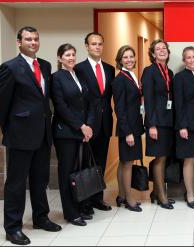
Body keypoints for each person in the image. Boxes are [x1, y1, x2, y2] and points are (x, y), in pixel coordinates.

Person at [0, 26, 61, 245]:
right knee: (16, 183)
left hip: (42, 133)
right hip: (20, 135)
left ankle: (41, 217)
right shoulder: (10, 68)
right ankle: (12, 227)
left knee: (40, 180)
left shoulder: (45, 65)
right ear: (19, 42)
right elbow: (0, 105)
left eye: (36, 39)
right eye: (28, 39)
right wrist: (11, 129)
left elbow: (44, 100)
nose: (33, 42)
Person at [51, 43, 95, 226]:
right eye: (67, 55)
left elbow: (88, 102)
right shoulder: (56, 78)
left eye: (73, 55)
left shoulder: (77, 75)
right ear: (60, 58)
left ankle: (79, 207)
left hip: (81, 131)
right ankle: (70, 213)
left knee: (78, 172)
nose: (71, 58)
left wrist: (88, 126)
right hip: (66, 133)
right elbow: (61, 107)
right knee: (67, 173)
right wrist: (81, 126)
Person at [74, 32, 115, 214]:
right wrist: (83, 125)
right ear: (86, 46)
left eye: (99, 44)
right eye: (93, 44)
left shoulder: (110, 69)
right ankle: (84, 203)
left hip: (105, 123)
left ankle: (98, 199)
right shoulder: (79, 68)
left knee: (100, 163)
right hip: (88, 125)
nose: (97, 47)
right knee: (85, 164)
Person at [142, 39, 175, 209]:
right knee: (160, 158)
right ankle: (162, 197)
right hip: (157, 122)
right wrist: (152, 125)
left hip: (168, 121)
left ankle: (156, 191)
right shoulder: (149, 71)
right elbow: (148, 99)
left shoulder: (169, 71)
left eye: (164, 48)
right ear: (153, 54)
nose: (162, 50)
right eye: (158, 49)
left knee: (163, 157)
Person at [111, 45, 145, 212]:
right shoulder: (119, 80)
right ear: (120, 60)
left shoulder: (131, 76)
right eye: (125, 57)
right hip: (128, 128)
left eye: (131, 56)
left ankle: (121, 195)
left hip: (134, 126)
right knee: (128, 164)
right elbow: (120, 109)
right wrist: (128, 132)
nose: (129, 59)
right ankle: (129, 199)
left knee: (124, 161)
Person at [174, 46, 194, 209]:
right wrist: (182, 126)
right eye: (188, 57)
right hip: (187, 126)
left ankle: (192, 192)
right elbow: (179, 104)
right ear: (184, 59)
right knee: (188, 160)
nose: (192, 60)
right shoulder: (180, 78)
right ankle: (189, 195)